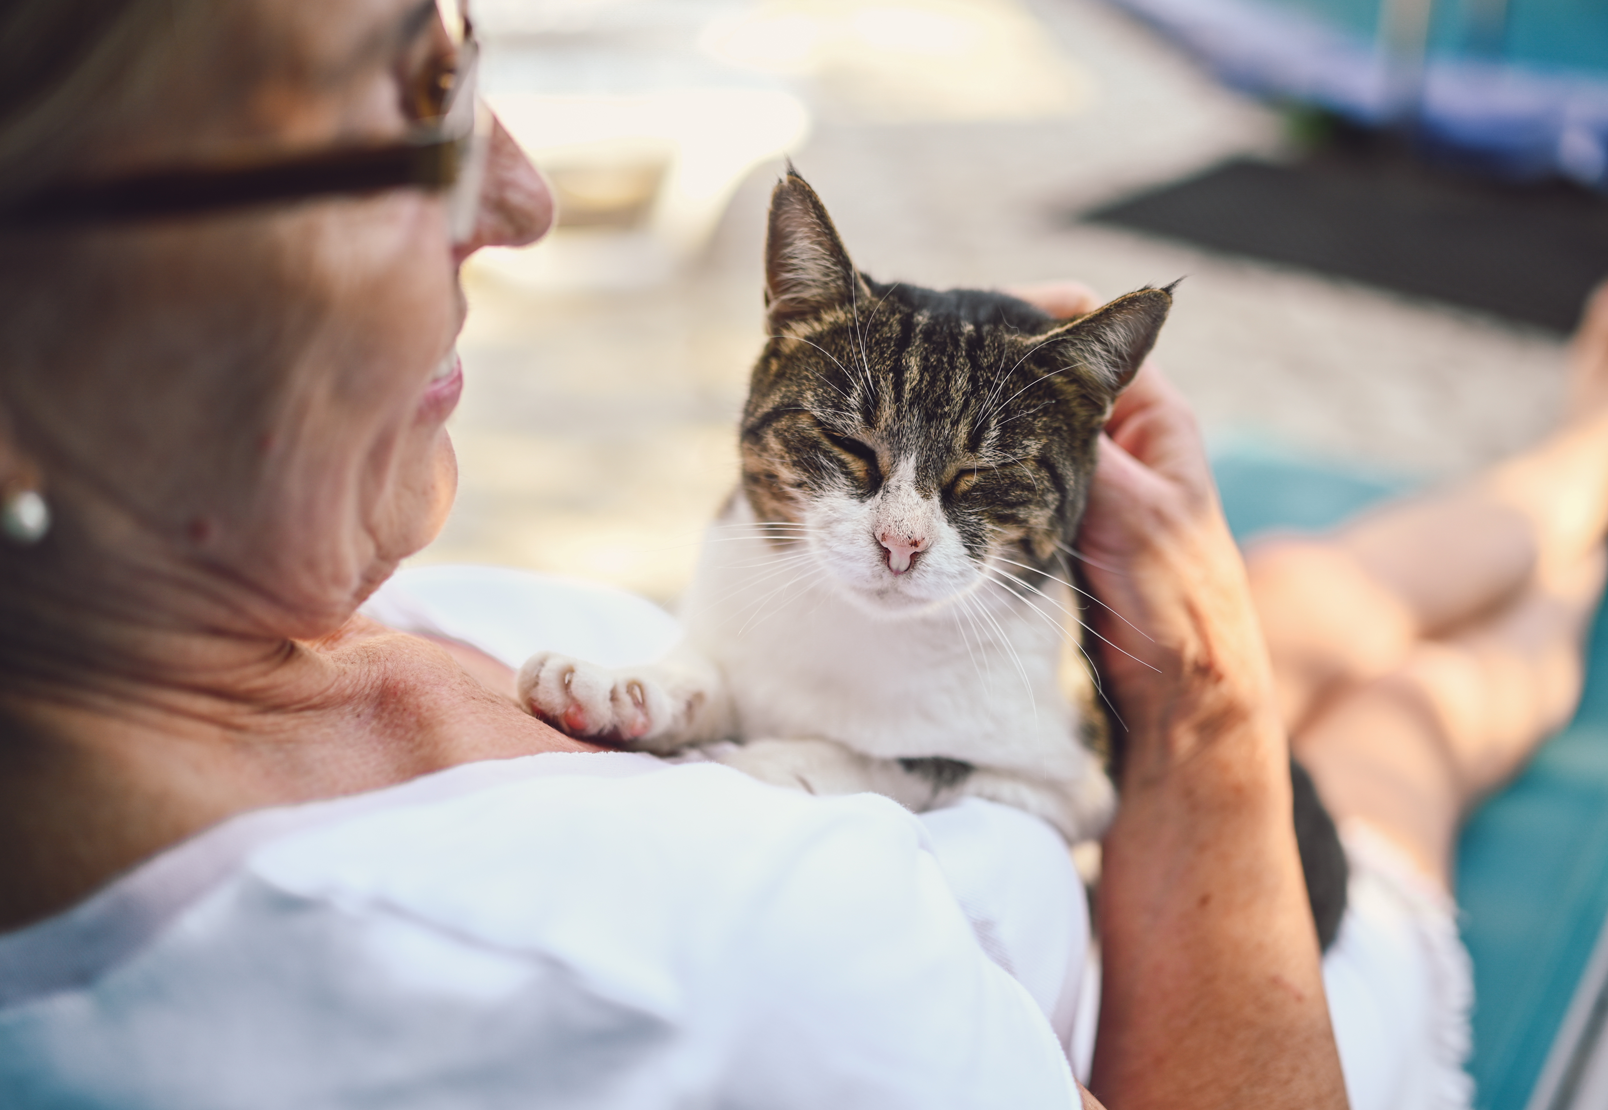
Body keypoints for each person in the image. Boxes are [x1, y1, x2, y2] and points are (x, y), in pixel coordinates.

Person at [0, 0, 1603, 1106]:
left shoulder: (227, 591)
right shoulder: (710, 982)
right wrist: (1210, 703)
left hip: (1058, 790)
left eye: (473, 59)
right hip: (1253, 981)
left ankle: (1572, 468)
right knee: (1412, 725)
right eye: (410, 107)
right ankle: (1576, 550)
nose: (530, 196)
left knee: (1316, 595)